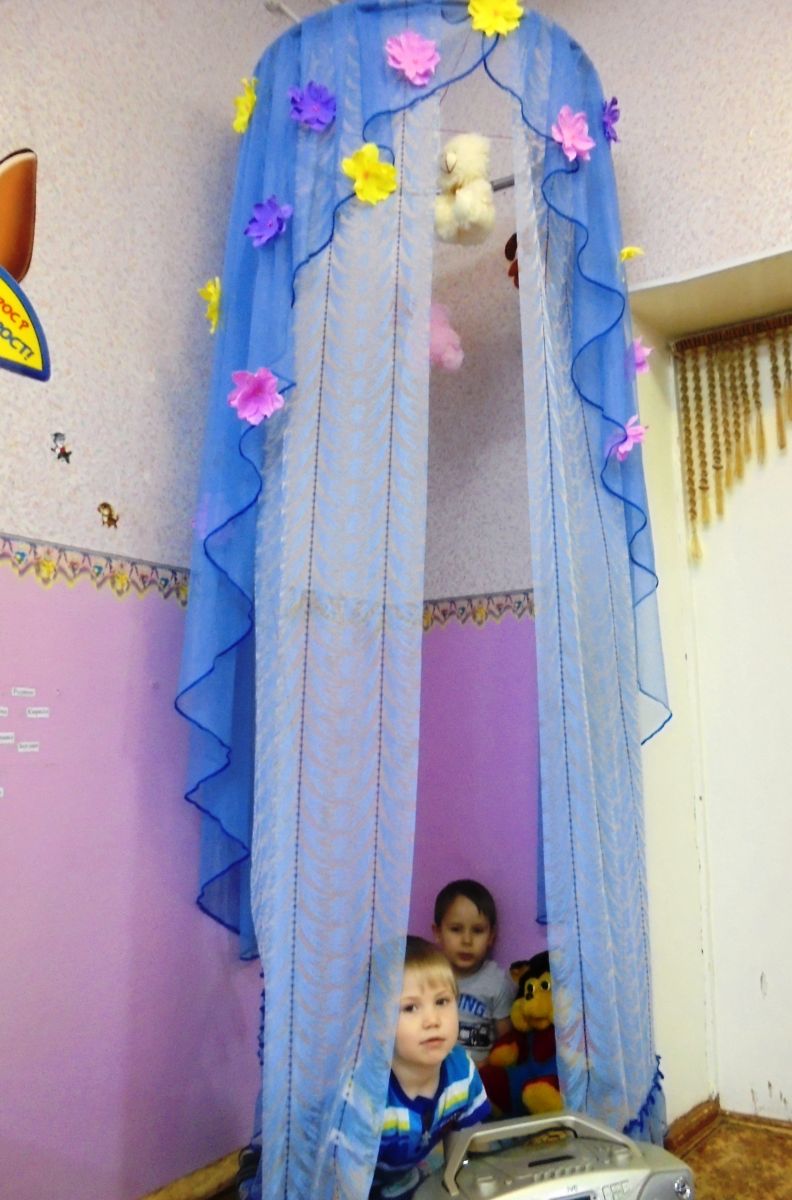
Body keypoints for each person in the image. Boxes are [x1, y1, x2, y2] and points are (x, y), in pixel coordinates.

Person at [371, 936, 490, 1199]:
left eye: (442, 1002)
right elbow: (337, 1173)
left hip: (407, 1176)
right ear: (378, 1022)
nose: (432, 1020)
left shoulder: (462, 1070)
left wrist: (461, 1185)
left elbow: (469, 1141)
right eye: (410, 1007)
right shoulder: (367, 1093)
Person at [432, 880, 515, 1064]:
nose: (467, 940)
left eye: (477, 930)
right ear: (437, 932)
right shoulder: (429, 977)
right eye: (456, 929)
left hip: (479, 1074)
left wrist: (487, 1067)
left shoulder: (497, 982)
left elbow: (506, 1043)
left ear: (491, 936)